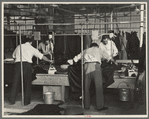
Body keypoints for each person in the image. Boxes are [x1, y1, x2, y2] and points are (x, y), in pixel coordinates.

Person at [67, 43, 117, 111]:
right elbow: (109, 57)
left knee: (86, 87)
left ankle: (86, 105)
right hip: (95, 67)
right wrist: (115, 62)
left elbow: (75, 59)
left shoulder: (85, 50)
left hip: (86, 67)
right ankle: (100, 106)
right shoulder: (98, 50)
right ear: (97, 46)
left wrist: (70, 63)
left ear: (90, 46)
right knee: (98, 87)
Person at [8, 37, 52, 105]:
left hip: (18, 65)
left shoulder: (19, 46)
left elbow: (13, 56)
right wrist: (49, 60)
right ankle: (26, 102)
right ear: (31, 42)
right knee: (27, 83)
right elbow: (41, 56)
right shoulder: (32, 48)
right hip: (27, 66)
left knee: (15, 82)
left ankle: (12, 100)